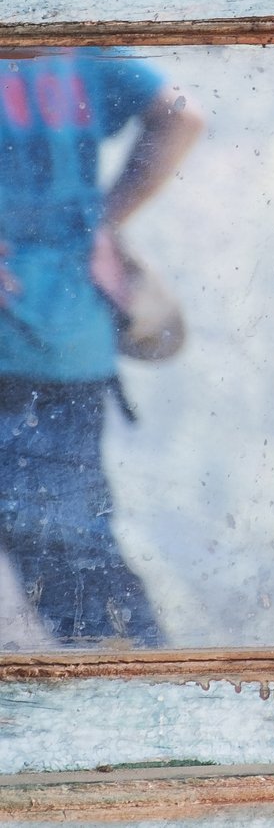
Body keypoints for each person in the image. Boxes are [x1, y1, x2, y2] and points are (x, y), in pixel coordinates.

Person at [0, 48, 202, 647]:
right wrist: (103, 222)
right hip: (63, 339)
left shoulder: (76, 51)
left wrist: (103, 224)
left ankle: (145, 708)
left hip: (51, 346)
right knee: (73, 555)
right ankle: (148, 709)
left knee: (71, 558)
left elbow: (183, 115)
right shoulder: (73, 44)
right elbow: (182, 115)